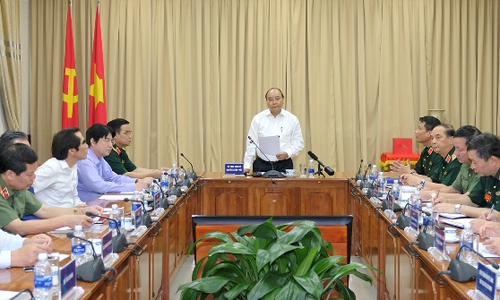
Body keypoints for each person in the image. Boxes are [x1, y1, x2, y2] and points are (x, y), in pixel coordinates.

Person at [0, 144, 96, 236]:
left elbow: (44, 210)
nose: (34, 177)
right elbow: (19, 228)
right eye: (30, 174)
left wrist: (79, 211)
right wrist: (65, 221)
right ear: (10, 175)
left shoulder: (19, 187)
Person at [33, 128, 103, 213]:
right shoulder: (50, 168)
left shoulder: (73, 166)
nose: (87, 146)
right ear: (72, 151)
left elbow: (74, 198)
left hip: (71, 215)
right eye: (83, 143)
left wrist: (86, 207)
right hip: (52, 219)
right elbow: (27, 192)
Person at [77, 124, 153, 202]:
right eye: (106, 140)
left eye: (111, 141)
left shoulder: (100, 158)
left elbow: (113, 178)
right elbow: (99, 186)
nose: (110, 145)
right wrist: (134, 186)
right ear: (93, 142)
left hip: (100, 200)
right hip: (87, 203)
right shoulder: (85, 160)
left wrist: (137, 181)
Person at [243, 87, 304, 174]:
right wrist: (247, 165)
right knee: (259, 188)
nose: (274, 102)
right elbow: (251, 143)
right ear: (267, 102)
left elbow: (299, 143)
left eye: (277, 99)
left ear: (283, 100)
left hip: (284, 164)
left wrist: (288, 153)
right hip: (262, 164)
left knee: (286, 188)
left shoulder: (292, 119)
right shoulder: (258, 119)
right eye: (270, 99)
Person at [420, 125, 481, 200]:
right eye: (455, 148)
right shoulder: (465, 165)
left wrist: (433, 194)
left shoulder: (481, 169)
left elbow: (469, 198)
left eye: (460, 150)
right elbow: (454, 189)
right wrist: (432, 191)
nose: (455, 153)